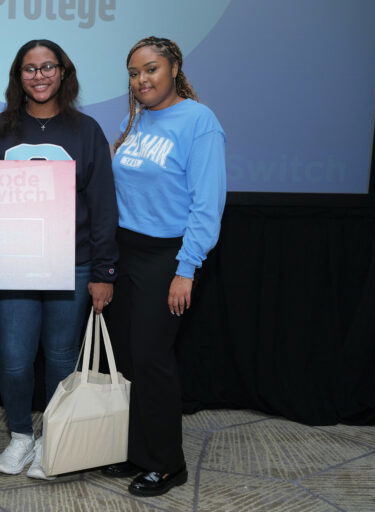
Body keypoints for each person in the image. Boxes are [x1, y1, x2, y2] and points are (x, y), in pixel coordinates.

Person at [0, 39, 118, 480]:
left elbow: (102, 205)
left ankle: (54, 438)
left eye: (47, 67)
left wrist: (103, 271)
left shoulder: (85, 130)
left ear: (63, 72)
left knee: (60, 359)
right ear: (18, 77)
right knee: (14, 360)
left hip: (72, 265)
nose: (39, 76)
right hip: (12, 267)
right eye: (29, 69)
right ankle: (20, 435)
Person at [102, 36, 226, 496]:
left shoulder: (199, 121)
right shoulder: (133, 118)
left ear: (174, 67)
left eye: (150, 69)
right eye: (134, 73)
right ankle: (138, 452)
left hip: (167, 256)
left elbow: (207, 204)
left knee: (154, 361)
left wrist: (186, 268)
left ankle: (168, 463)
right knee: (131, 358)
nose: (141, 80)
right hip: (126, 252)